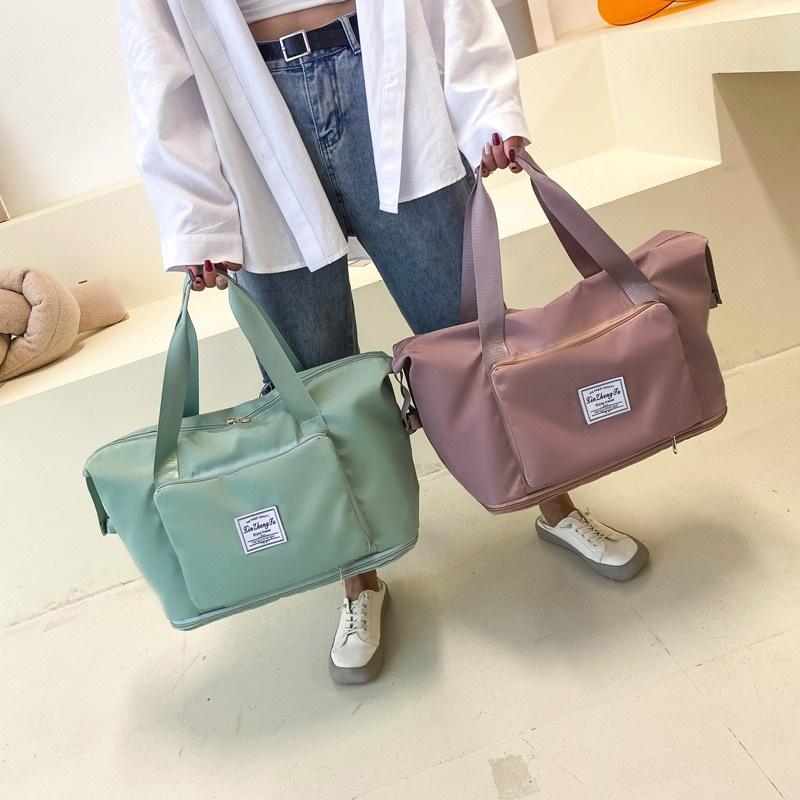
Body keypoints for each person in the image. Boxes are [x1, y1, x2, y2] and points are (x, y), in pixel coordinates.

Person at [118, 0, 650, 685]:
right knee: (309, 386)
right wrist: (195, 216)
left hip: (383, 63)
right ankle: (358, 580)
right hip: (248, 103)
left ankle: (557, 505)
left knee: (472, 337)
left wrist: (485, 103)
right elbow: (155, 56)